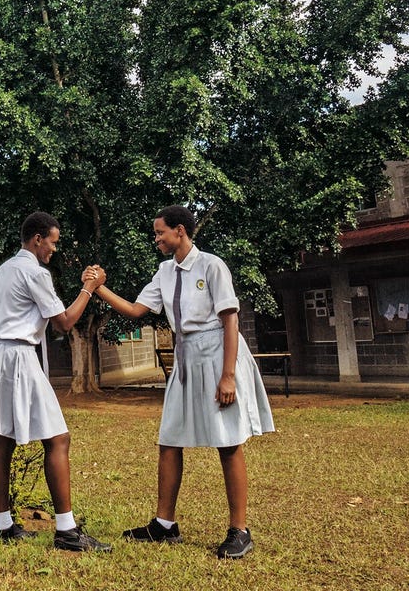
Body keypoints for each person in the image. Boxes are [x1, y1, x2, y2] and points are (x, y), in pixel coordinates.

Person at [86, 204, 275, 559]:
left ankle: (240, 530)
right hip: (185, 356)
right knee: (169, 439)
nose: (156, 238)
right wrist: (99, 288)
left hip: (217, 352)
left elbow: (230, 320)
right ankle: (164, 524)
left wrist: (228, 375)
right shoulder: (165, 271)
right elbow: (135, 311)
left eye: (160, 232)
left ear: (180, 232)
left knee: (228, 441)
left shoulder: (211, 266)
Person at [0, 211, 112, 553]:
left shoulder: (4, 269)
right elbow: (63, 323)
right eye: (53, 242)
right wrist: (89, 289)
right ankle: (66, 530)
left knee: (1, 440)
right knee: (58, 439)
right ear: (37, 239)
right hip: (17, 356)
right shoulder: (35, 272)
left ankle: (3, 523)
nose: (54, 249)